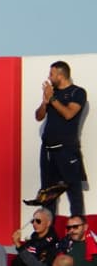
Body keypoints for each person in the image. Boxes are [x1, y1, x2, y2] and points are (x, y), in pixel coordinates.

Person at [34, 60, 87, 216]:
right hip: (48, 151)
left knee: (74, 192)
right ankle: (48, 228)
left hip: (66, 150)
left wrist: (52, 99)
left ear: (60, 75)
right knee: (48, 193)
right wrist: (45, 102)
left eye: (51, 74)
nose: (49, 77)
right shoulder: (52, 93)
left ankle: (77, 225)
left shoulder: (77, 92)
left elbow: (69, 114)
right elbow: (38, 116)